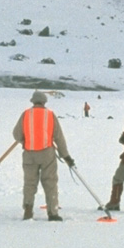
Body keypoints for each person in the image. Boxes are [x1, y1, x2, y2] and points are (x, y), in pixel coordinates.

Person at [13, 90, 73, 221]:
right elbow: (59, 138)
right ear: (44, 102)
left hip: (29, 154)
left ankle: (28, 211)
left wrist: (24, 141)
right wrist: (66, 156)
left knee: (29, 183)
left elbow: (16, 134)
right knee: (50, 183)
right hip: (47, 154)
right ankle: (53, 213)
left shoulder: (26, 114)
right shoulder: (50, 115)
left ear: (33, 102)